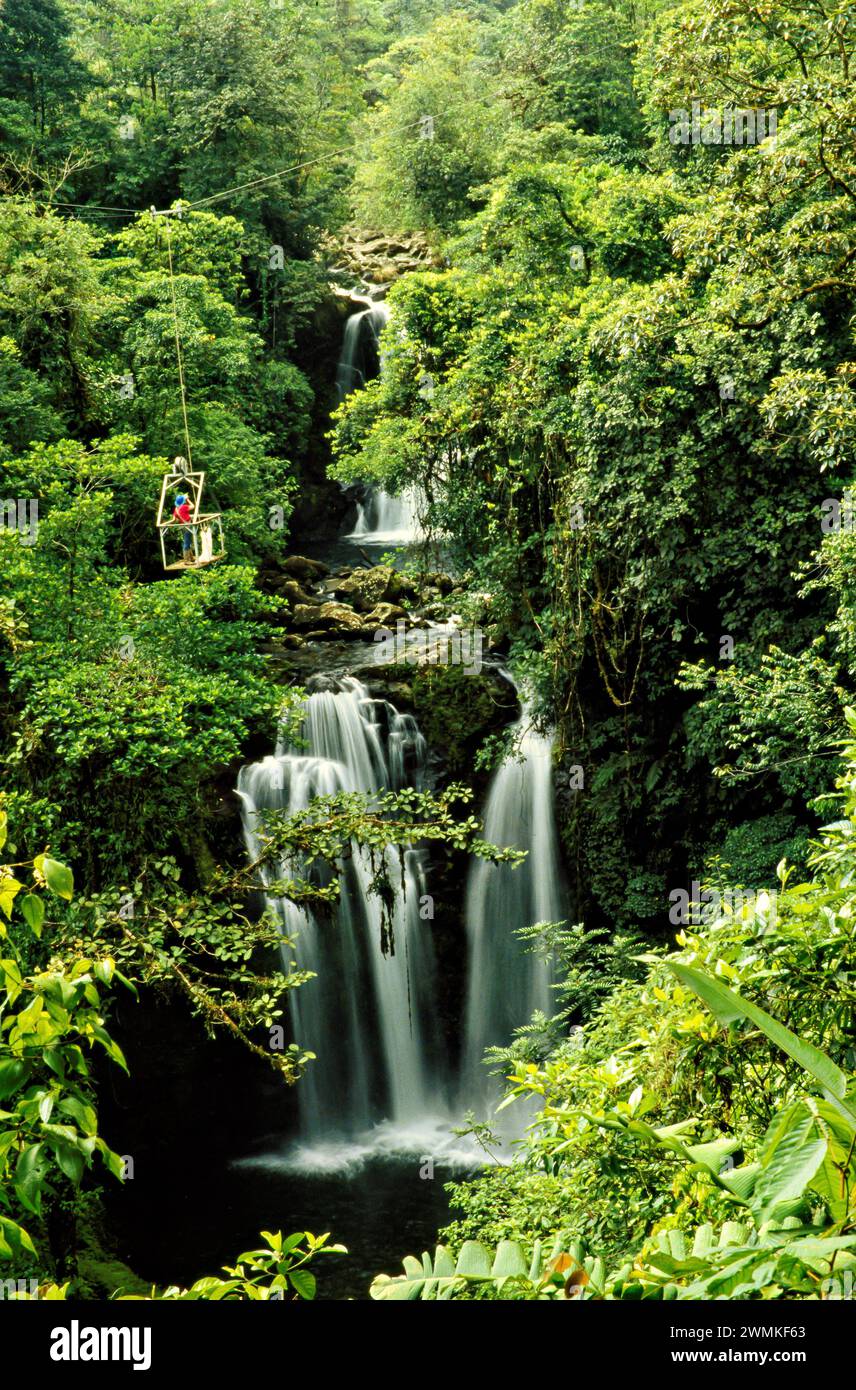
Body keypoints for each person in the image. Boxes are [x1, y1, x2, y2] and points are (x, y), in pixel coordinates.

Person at [172, 493, 194, 563]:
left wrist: (168, 523)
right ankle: (186, 560)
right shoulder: (183, 507)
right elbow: (193, 506)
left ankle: (191, 557)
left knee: (188, 541)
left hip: (182, 526)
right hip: (188, 526)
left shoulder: (176, 509)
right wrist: (187, 499)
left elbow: (174, 520)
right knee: (187, 543)